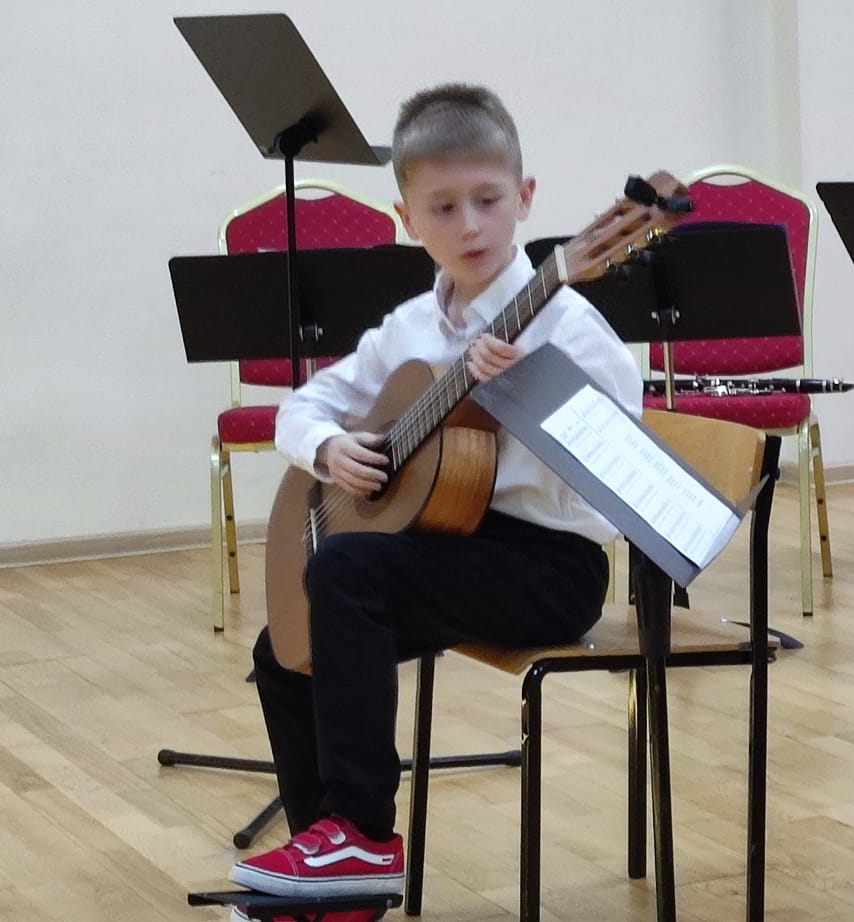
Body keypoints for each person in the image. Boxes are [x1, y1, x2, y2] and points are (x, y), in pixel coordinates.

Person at [226, 83, 641, 919]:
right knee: (284, 648)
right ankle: (336, 883)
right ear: (407, 217)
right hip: (439, 553)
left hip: (549, 568)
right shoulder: (410, 328)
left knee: (348, 571)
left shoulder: (567, 327)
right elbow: (303, 408)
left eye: (489, 200)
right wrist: (329, 448)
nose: (471, 225)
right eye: (444, 208)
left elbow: (620, 470)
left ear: (526, 197)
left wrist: (526, 395)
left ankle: (362, 832)